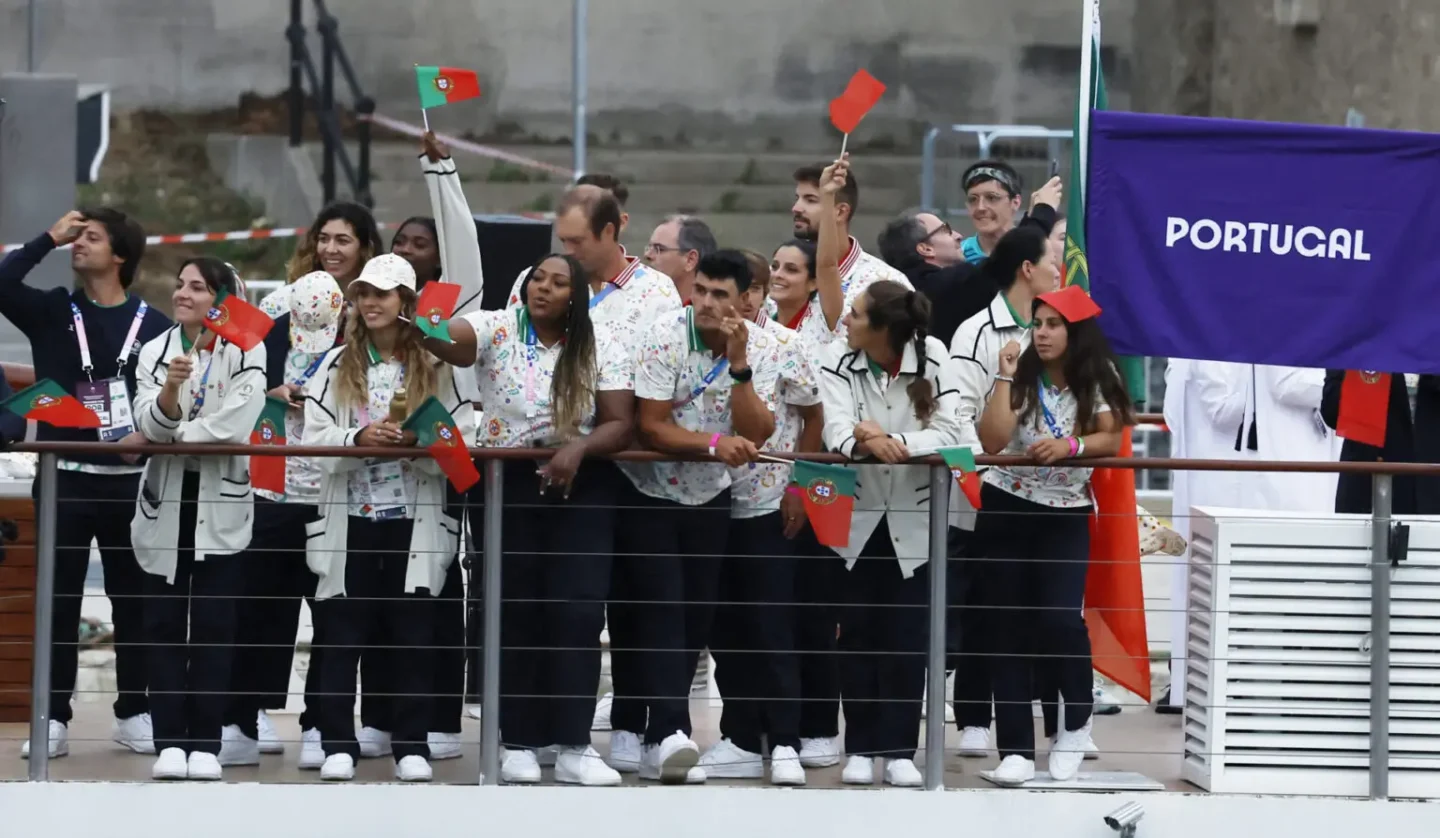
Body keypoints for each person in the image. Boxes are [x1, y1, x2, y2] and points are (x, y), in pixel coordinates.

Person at [432, 252, 635, 786]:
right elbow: (444, 340)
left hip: (581, 484)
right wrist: (425, 316)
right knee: (513, 611)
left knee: (578, 613)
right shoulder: (496, 327)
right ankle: (516, 740)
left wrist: (579, 449)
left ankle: (572, 744)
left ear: (578, 295)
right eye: (537, 279)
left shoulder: (600, 342)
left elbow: (619, 424)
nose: (543, 288)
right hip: (508, 486)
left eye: (558, 281)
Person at [1, 208, 171, 760]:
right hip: (63, 477)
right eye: (74, 237)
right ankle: (51, 716)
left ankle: (135, 711)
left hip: (130, 483)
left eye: (89, 238)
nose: (77, 245)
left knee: (135, 602)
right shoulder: (53, 310)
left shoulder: (155, 327)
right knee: (59, 600)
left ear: (119, 255)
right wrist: (45, 239)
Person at [301, 254, 472, 784]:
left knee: (413, 636)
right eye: (362, 294)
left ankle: (411, 744)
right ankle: (336, 743)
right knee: (340, 634)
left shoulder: (439, 364)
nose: (370, 303)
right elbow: (309, 440)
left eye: (382, 293)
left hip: (413, 519)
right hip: (348, 520)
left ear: (407, 302)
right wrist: (357, 439)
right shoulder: (333, 366)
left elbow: (465, 433)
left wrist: (423, 441)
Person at [619, 249, 782, 784]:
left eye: (720, 295)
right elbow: (651, 426)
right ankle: (669, 732)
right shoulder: (665, 333)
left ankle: (655, 736)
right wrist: (714, 444)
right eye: (702, 291)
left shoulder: (757, 345)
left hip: (711, 497)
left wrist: (740, 366)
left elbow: (757, 432)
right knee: (663, 608)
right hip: (651, 494)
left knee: (696, 617)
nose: (706, 303)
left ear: (746, 299)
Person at [974, 284, 1136, 786]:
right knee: (1006, 630)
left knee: (1060, 622)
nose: (1041, 335)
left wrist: (1071, 445)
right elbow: (993, 440)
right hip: (1005, 505)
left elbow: (1112, 436)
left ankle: (1075, 723)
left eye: (1052, 325)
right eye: (1037, 324)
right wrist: (1003, 373)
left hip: (1065, 511)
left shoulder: (1098, 374)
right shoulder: (1020, 371)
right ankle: (1017, 750)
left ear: (1076, 332)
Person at [816, 280, 963, 787]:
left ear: (883, 329)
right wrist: (864, 442)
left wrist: (893, 440)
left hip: (915, 521)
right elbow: (835, 427)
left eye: (856, 315)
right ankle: (859, 746)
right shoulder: (837, 355)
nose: (846, 321)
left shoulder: (936, 355)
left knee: (905, 639)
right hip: (853, 519)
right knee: (855, 635)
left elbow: (952, 434)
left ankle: (900, 749)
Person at [131, 257, 268, 781]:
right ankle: (169, 740)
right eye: (180, 283)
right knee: (163, 624)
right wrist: (170, 392)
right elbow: (148, 417)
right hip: (164, 502)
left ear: (220, 300)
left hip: (221, 504)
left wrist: (172, 437)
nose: (183, 293)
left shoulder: (246, 349)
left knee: (214, 625)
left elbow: (238, 422)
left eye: (198, 287)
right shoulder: (155, 351)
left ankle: (206, 743)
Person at [699, 250, 822, 786]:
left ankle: (787, 742)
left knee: (772, 627)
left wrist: (800, 485)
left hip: (769, 502)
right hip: (707, 500)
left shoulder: (784, 346)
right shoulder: (692, 341)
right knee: (725, 628)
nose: (721, 304)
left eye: (735, 293)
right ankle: (743, 738)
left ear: (754, 297)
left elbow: (814, 415)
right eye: (706, 292)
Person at [221, 270, 345, 768]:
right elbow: (214, 351)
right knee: (257, 611)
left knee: (332, 617)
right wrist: (267, 390)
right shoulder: (266, 319)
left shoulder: (356, 334)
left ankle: (321, 724)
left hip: (331, 493)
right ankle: (242, 721)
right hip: (269, 490)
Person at [877, 178, 1060, 345]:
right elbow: (1009, 260)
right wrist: (1043, 211)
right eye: (946, 230)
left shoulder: (897, 286)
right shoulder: (947, 286)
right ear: (926, 248)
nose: (958, 235)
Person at [788, 156, 912, 330]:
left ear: (840, 212)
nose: (796, 208)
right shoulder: (780, 276)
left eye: (810, 200)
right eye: (797, 198)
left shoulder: (884, 282)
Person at [260, 202, 384, 319]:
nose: (330, 249)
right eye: (323, 239)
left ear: (365, 248)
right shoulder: (281, 303)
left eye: (342, 241)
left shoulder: (381, 308)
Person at [957, 160, 1061, 265]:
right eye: (973, 199)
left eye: (992, 198)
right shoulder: (957, 255)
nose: (980, 207)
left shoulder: (1045, 255)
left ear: (1015, 202)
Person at [644, 215, 717, 304]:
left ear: (690, 260)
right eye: (649, 248)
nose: (647, 255)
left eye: (659, 249)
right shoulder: (641, 307)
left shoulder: (709, 316)